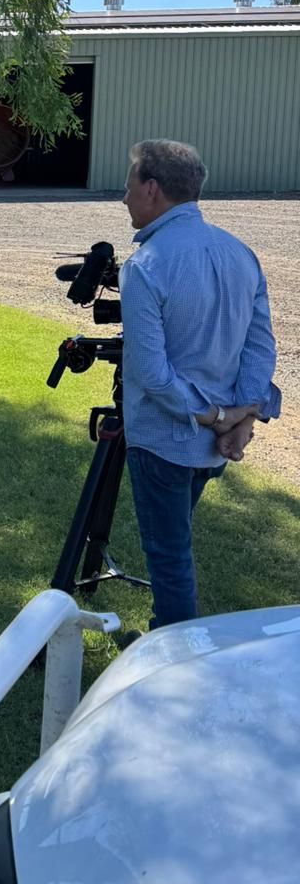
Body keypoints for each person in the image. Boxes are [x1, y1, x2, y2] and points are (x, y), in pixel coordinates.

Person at [119, 139, 281, 629]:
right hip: (214, 446)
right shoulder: (240, 253)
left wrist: (217, 416)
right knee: (174, 552)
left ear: (152, 189)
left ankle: (175, 666)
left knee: (170, 562)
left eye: (128, 188)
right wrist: (242, 417)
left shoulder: (145, 266)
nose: (123, 199)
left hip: (165, 442)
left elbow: (150, 373)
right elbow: (260, 346)